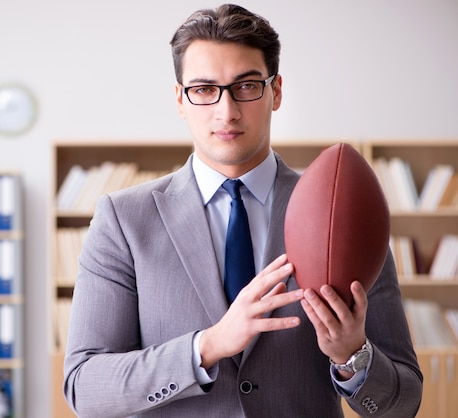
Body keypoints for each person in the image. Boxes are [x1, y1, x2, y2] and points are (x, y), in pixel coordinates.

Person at [63, 4, 422, 417]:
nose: (226, 111)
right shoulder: (124, 220)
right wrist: (209, 345)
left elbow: (403, 405)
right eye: (203, 89)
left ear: (277, 91)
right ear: (180, 99)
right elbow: (85, 388)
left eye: (247, 85)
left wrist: (352, 356)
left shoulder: (342, 212)